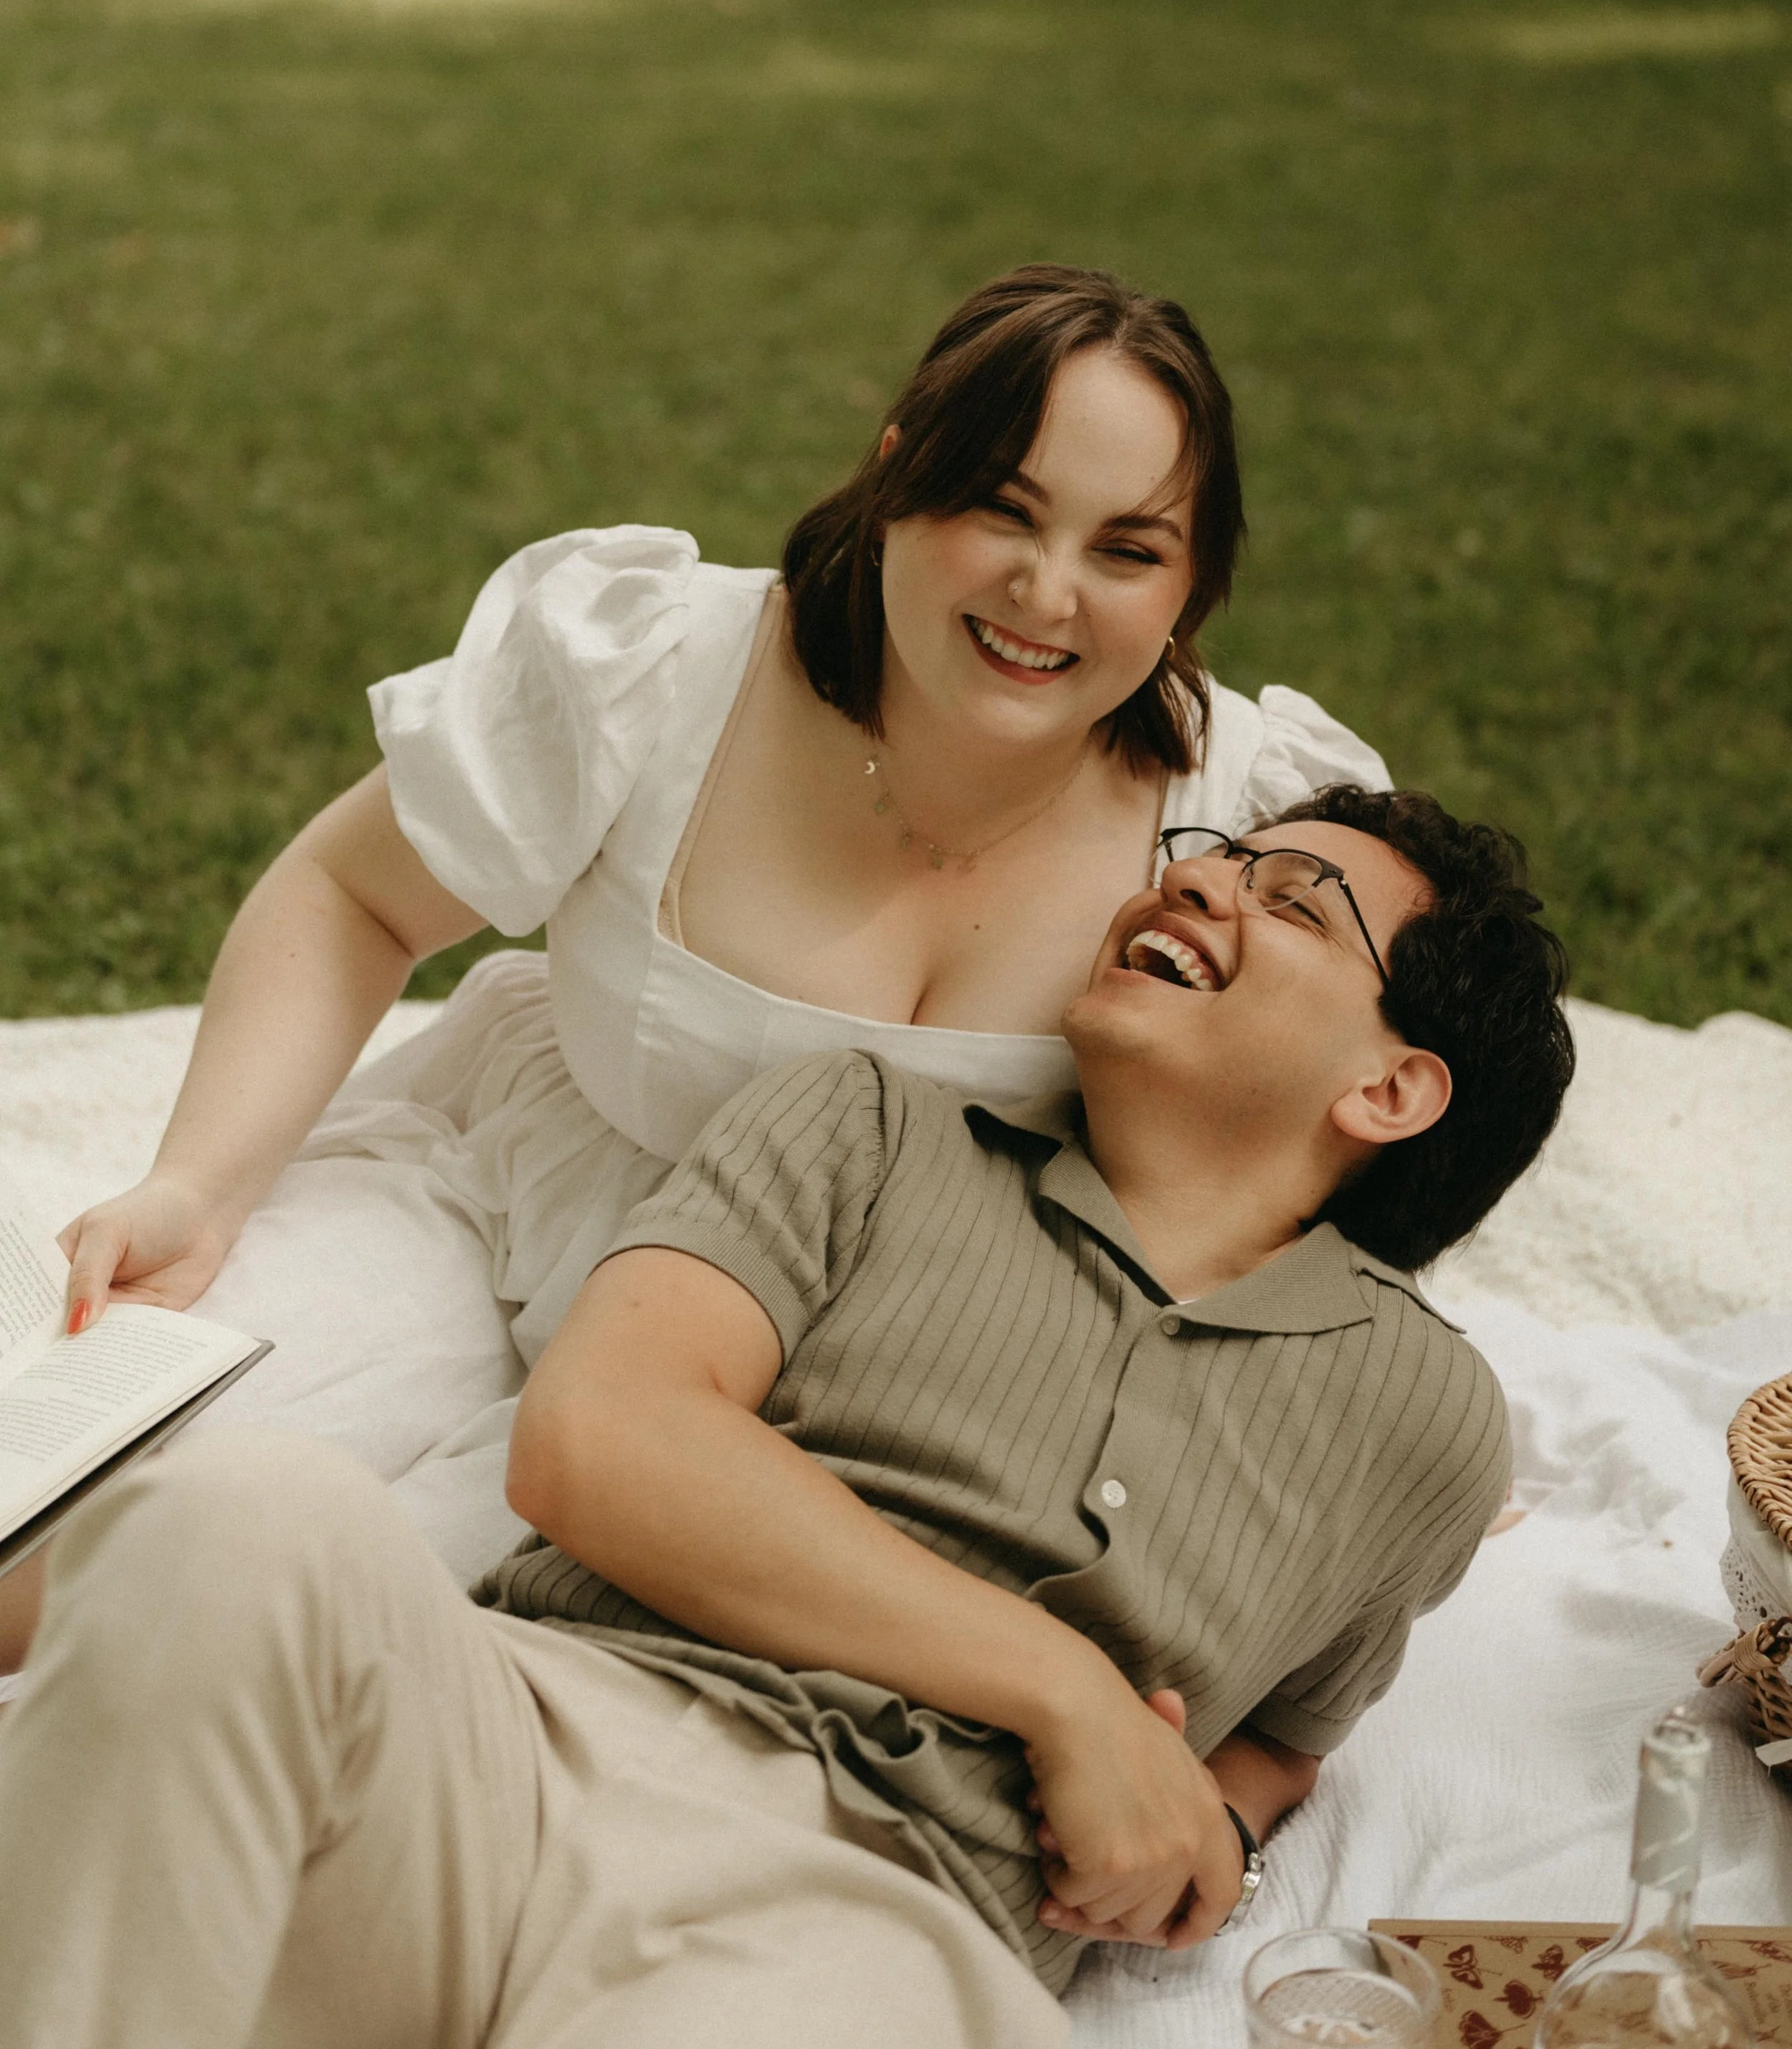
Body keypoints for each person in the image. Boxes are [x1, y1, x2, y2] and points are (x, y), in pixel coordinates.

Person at [0, 787, 1575, 2049]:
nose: (1199, 882)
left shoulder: (1424, 1423)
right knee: (234, 1517)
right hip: (519, 1742)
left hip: (871, 1918)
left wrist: (1199, 1850)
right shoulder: (869, 1126)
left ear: (1390, 1090)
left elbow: (1275, 1744)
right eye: (1207, 854)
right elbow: (601, 1440)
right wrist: (1064, 1694)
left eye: (1291, 901)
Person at [52, 264, 1386, 1365]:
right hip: (519, 1227)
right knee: (115, 1503)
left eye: (1126, 549)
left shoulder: (1258, 826)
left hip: (912, 1386)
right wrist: (199, 1185)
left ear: (1194, 582)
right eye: (1002, 509)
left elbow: (1337, 1121)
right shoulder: (661, 665)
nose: (1046, 595)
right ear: (894, 480)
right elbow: (358, 894)